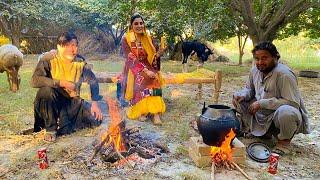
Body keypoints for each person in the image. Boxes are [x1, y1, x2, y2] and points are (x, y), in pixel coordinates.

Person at [232, 42, 310, 154]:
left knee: (287, 112)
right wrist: (241, 95)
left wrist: (262, 103)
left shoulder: (284, 74)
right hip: (261, 114)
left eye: (264, 58)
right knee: (240, 101)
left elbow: (292, 103)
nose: (260, 62)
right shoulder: (255, 70)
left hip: (278, 115)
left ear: (275, 57)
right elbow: (249, 90)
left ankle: (284, 141)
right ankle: (262, 133)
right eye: (257, 58)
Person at [31, 31, 103, 142]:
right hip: (52, 101)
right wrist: (61, 83)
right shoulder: (48, 59)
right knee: (46, 91)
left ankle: (63, 124)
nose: (72, 49)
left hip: (70, 102)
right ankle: (51, 129)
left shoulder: (80, 62)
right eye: (67, 46)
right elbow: (34, 81)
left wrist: (94, 103)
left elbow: (93, 80)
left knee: (95, 120)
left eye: (74, 45)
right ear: (59, 47)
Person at [120, 13, 166, 125]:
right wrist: (145, 71)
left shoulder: (148, 37)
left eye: (141, 23)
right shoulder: (126, 38)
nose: (139, 26)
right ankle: (141, 110)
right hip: (134, 67)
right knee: (142, 78)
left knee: (154, 78)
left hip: (149, 65)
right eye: (136, 23)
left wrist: (159, 54)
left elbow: (152, 58)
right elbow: (130, 58)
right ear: (131, 26)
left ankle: (155, 113)